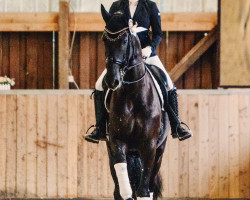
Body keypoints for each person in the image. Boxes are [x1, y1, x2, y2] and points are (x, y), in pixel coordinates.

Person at [84, 0, 192, 143]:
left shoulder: (150, 6)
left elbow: (158, 33)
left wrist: (149, 48)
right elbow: (112, 32)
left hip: (146, 54)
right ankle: (99, 129)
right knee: (99, 85)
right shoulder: (117, 6)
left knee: (169, 84)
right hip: (123, 58)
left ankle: (176, 126)